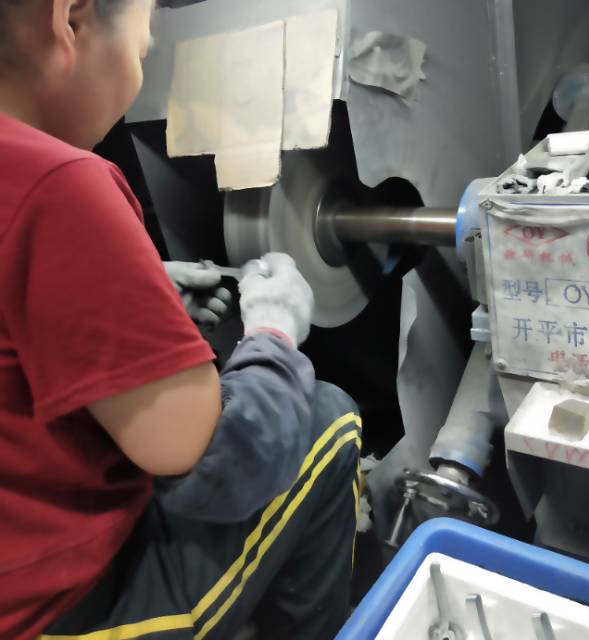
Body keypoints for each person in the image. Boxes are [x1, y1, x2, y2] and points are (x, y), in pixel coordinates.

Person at [0, 1, 362, 639]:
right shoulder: (60, 183)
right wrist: (275, 330)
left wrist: (131, 294)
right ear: (71, 20)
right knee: (327, 421)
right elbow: (223, 465)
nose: (141, 68)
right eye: (142, 48)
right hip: (61, 611)